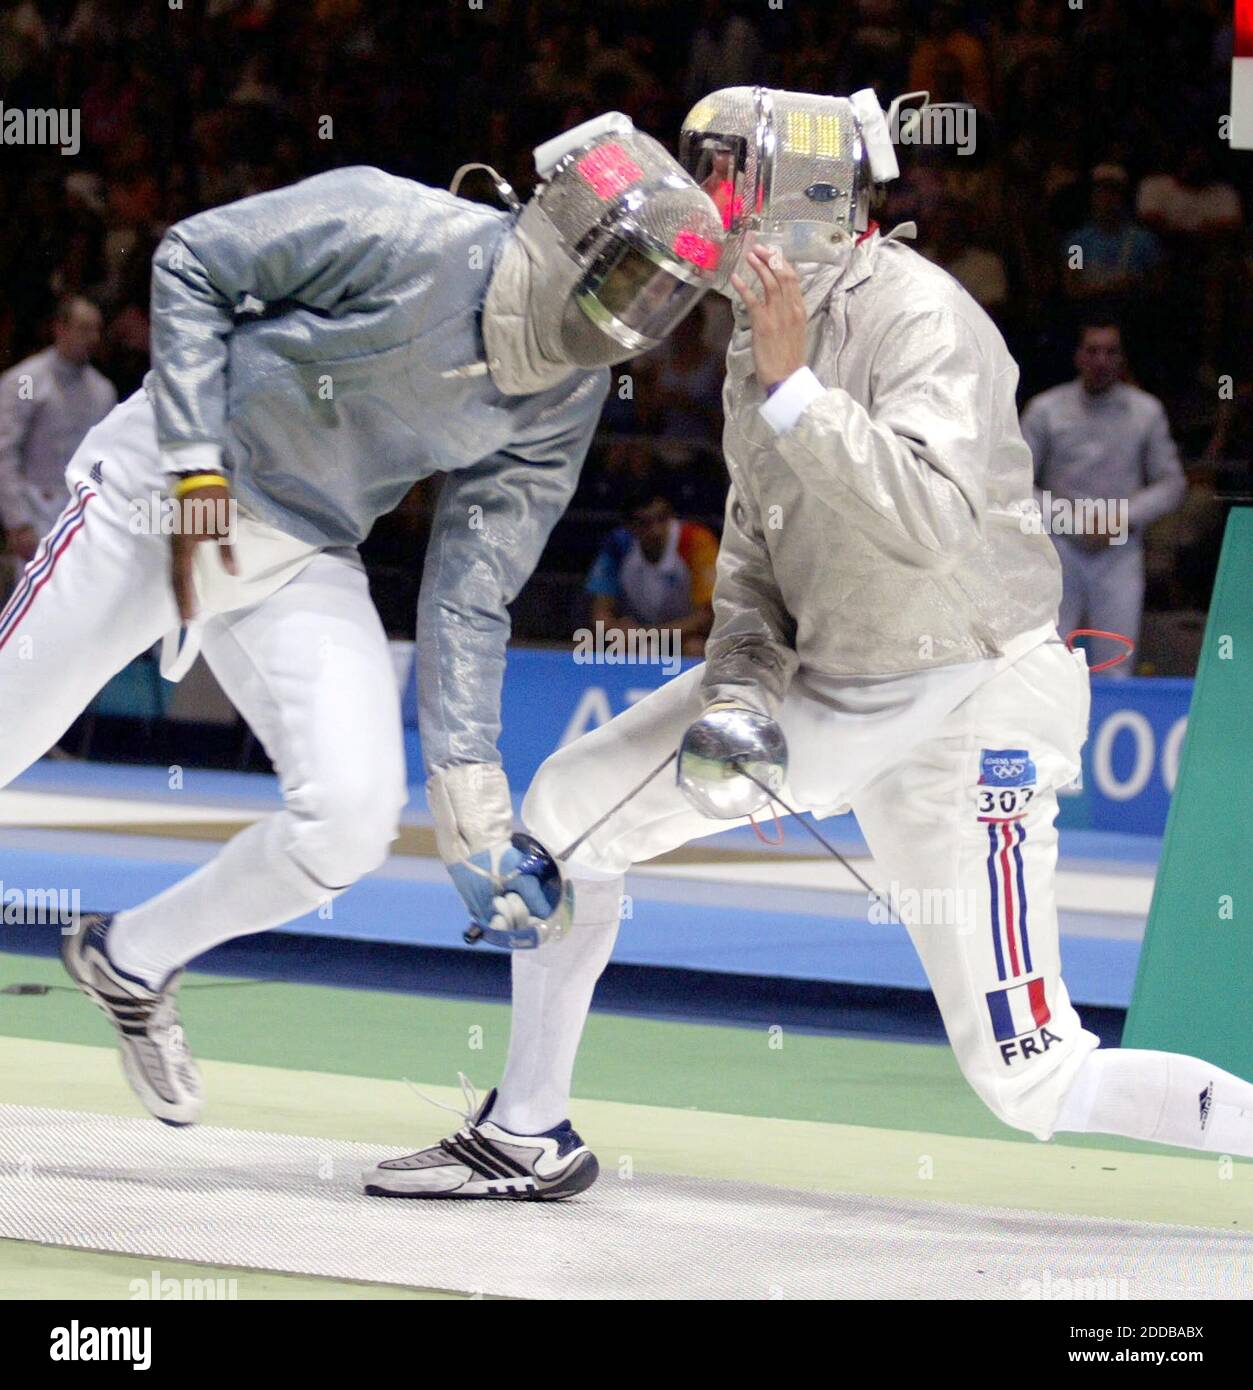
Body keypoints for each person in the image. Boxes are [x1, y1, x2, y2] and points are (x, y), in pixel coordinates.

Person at [366, 86, 1253, 1200]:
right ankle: (529, 1129)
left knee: (1030, 1074)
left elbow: (934, 517)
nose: (705, 199)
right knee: (564, 811)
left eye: (726, 173)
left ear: (802, 189)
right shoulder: (757, 342)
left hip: (973, 701)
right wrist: (736, 694)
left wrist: (794, 392)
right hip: (837, 687)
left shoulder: (919, 319)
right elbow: (750, 568)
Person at [0, 112, 723, 1128]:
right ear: (570, 235)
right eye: (628, 281)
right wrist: (198, 462)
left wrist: (474, 814)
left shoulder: (560, 399)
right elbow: (195, 260)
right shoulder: (396, 224)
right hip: (157, 500)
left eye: (660, 300)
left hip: (300, 549)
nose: (633, 318)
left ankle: (129, 959)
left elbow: (471, 587)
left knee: (346, 823)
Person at [1020, 319, 1186, 675]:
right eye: (1092, 351)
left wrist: (1121, 518)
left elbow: (1172, 483)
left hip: (1119, 548)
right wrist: (1072, 522)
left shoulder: (1146, 411)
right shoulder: (1045, 409)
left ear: (1122, 359)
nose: (1101, 360)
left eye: (1111, 352)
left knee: (1116, 661)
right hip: (1058, 545)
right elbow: (1012, 481)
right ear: (1078, 356)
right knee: (1051, 663)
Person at [0, 296, 116, 566]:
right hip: (36, 509)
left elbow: (107, 458)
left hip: (85, 511)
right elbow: (5, 451)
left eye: (97, 329)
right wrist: (17, 521)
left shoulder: (102, 390)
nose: (93, 337)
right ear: (60, 328)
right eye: (84, 328)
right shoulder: (27, 380)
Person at [586, 481, 718, 657]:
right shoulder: (618, 544)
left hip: (685, 634)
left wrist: (648, 633)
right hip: (637, 634)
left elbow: (706, 617)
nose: (656, 530)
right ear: (629, 526)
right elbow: (600, 612)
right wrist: (614, 628)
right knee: (588, 646)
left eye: (662, 519)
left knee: (695, 648)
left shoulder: (695, 540)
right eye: (644, 523)